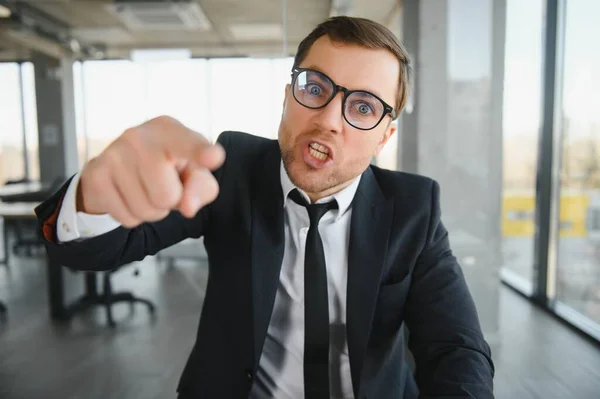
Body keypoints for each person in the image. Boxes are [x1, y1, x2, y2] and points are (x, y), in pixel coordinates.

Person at [35, 16, 494, 399]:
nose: (329, 120)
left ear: (384, 135)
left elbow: (456, 348)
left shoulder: (414, 207)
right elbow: (86, 252)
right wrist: (95, 192)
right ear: (287, 95)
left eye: (363, 107)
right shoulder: (229, 168)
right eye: (315, 88)